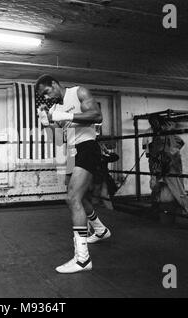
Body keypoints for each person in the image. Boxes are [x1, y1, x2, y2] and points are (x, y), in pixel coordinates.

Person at [35, 74, 110, 274]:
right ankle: (100, 230)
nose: (48, 97)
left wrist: (66, 116)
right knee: (80, 196)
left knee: (73, 198)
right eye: (44, 96)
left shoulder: (78, 92)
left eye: (47, 91)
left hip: (87, 147)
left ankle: (83, 259)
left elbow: (97, 116)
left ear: (54, 84)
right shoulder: (55, 108)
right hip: (72, 152)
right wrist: (47, 124)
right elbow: (58, 140)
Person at [148, 117, 188, 219]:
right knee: (156, 188)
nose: (154, 125)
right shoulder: (157, 136)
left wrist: (170, 154)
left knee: (177, 189)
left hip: (170, 166)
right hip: (160, 166)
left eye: (155, 123)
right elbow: (154, 152)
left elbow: (179, 143)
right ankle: (154, 210)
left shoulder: (169, 136)